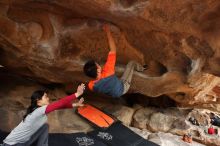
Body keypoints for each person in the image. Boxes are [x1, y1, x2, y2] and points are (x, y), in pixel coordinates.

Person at [2, 83, 85, 146]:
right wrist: (77, 94)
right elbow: (59, 103)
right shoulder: (38, 111)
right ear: (38, 100)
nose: (48, 98)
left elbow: (58, 107)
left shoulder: (39, 110)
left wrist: (75, 105)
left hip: (24, 142)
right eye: (45, 97)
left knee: (45, 126)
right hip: (12, 144)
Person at [83, 24, 147, 98]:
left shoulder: (91, 85)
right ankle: (142, 68)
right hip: (123, 88)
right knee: (131, 63)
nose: (99, 64)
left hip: (113, 93)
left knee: (112, 81)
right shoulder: (108, 71)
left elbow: (100, 82)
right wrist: (108, 32)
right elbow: (113, 50)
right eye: (97, 64)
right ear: (98, 69)